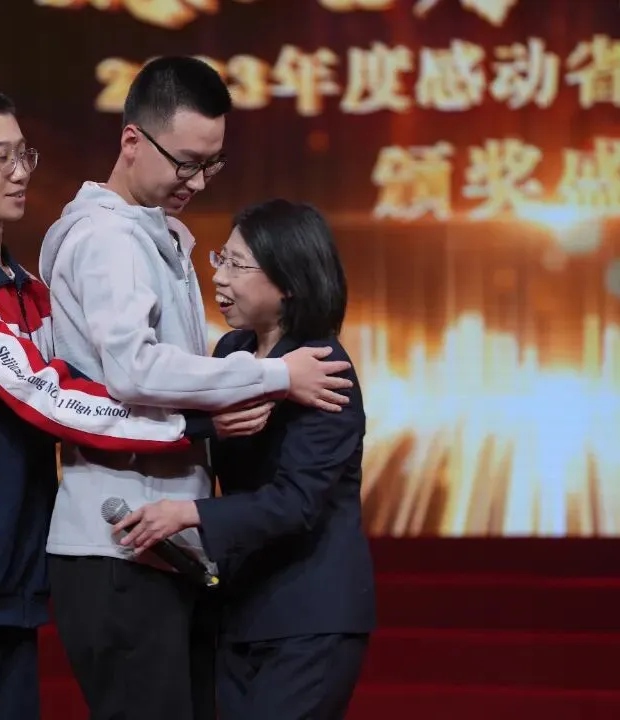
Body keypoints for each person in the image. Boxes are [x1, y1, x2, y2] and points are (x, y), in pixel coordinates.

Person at [0, 84, 227, 720]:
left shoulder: (30, 289)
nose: (20, 172)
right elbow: (46, 395)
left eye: (23, 154)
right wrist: (194, 423)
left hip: (9, 574)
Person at [38, 58, 355, 720]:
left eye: (212, 165)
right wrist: (275, 377)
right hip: (123, 538)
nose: (199, 181)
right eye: (186, 163)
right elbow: (134, 370)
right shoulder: (110, 239)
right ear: (132, 141)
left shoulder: (151, 234)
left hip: (161, 550)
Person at [114, 200, 378, 720]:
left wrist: (188, 514)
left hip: (310, 613)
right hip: (241, 608)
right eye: (221, 259)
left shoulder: (325, 368)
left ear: (290, 282)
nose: (219, 277)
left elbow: (297, 502)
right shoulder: (233, 351)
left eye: (238, 265)